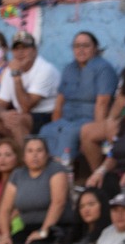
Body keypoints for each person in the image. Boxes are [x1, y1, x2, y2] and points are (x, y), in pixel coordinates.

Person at [42, 32, 117, 168]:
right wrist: (56, 125)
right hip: (67, 120)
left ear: (95, 48)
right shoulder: (69, 69)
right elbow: (59, 104)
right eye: (77, 46)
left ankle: (62, 171)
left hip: (87, 121)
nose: (81, 50)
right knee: (46, 131)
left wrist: (94, 132)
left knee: (68, 133)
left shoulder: (103, 69)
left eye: (86, 46)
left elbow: (102, 103)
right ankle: (48, 172)